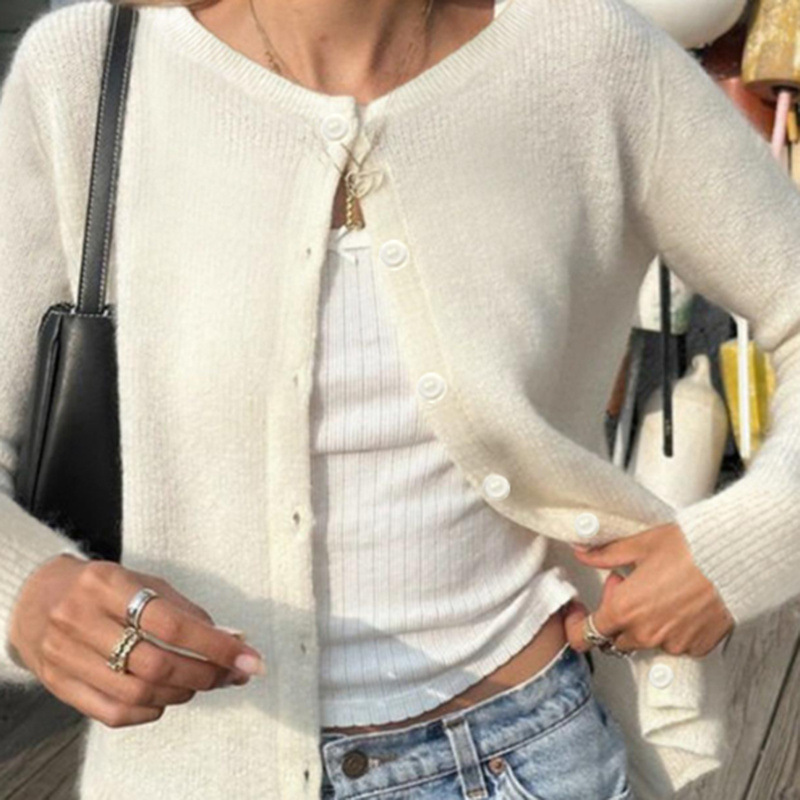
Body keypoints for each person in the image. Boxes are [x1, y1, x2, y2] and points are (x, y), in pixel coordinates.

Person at [1, 0, 798, 798]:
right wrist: (27, 589)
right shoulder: (85, 72)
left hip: (526, 756)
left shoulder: (586, 58)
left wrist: (746, 540)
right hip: (195, 770)